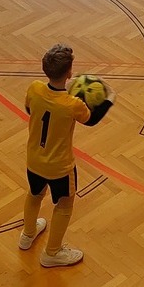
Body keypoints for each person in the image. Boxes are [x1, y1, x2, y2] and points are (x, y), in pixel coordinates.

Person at [18, 43, 105, 268]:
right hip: (60, 167)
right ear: (69, 73)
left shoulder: (34, 88)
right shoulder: (72, 104)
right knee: (65, 205)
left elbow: (30, 109)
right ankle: (52, 253)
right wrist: (106, 99)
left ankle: (27, 235)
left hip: (34, 160)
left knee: (34, 194)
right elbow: (91, 120)